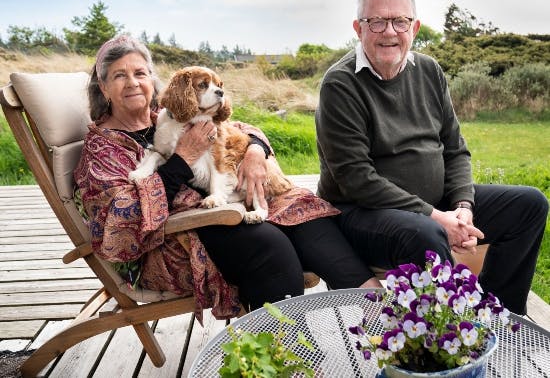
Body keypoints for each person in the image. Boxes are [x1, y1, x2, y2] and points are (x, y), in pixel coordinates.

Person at [74, 35, 377, 322]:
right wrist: (184, 158)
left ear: (152, 80)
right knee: (270, 246)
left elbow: (241, 129)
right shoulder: (102, 148)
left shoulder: (167, 115)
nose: (133, 83)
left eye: (140, 73)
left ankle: (379, 310)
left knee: (308, 217)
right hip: (175, 238)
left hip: (221, 207)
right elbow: (120, 224)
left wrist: (256, 151)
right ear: (102, 87)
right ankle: (286, 359)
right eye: (118, 76)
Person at [315, 0, 548, 315]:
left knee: (529, 204)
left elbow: (454, 148)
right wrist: (437, 217)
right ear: (358, 28)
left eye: (399, 21)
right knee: (424, 234)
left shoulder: (429, 70)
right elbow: (356, 179)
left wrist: (463, 208)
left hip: (433, 204)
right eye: (376, 22)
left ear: (415, 28)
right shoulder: (340, 84)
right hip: (362, 214)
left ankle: (498, 313)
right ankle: (440, 337)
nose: (389, 32)